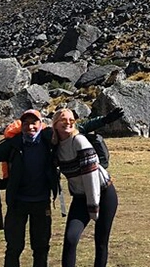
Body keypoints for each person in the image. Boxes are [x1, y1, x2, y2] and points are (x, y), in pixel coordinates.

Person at [0, 109, 59, 267]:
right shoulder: (13, 144)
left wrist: (102, 122)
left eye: (33, 123)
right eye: (26, 123)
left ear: (41, 124)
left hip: (41, 203)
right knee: (14, 247)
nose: (30, 127)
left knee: (41, 247)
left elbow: (75, 132)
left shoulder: (49, 141)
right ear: (21, 125)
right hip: (17, 203)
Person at [51, 108, 119, 267]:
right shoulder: (55, 145)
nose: (68, 123)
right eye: (63, 120)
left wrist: (93, 206)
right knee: (70, 238)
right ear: (55, 124)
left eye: (71, 120)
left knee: (101, 241)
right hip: (80, 197)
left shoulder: (79, 141)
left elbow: (91, 177)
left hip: (103, 193)